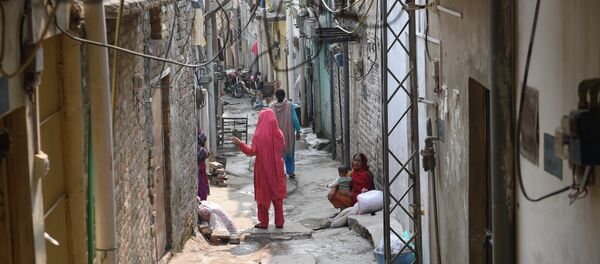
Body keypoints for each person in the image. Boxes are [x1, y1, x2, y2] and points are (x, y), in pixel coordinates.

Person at [232, 108, 287, 229]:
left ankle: (264, 222)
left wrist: (240, 144)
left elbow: (251, 152)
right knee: (277, 197)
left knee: (263, 196)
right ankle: (279, 222)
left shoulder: (258, 136)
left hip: (263, 169)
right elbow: (282, 149)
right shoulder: (279, 135)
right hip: (277, 168)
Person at [270, 89, 301, 178]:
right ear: (284, 96)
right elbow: (294, 119)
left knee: (278, 154)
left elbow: (269, 121)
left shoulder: (271, 107)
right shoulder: (290, 105)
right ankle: (290, 171)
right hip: (288, 134)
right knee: (289, 152)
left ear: (276, 96)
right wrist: (298, 131)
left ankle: (280, 171)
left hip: (276, 135)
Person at [197, 129, 210, 200]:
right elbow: (207, 153)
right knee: (202, 195)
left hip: (201, 172)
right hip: (200, 173)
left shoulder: (199, 148)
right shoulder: (200, 149)